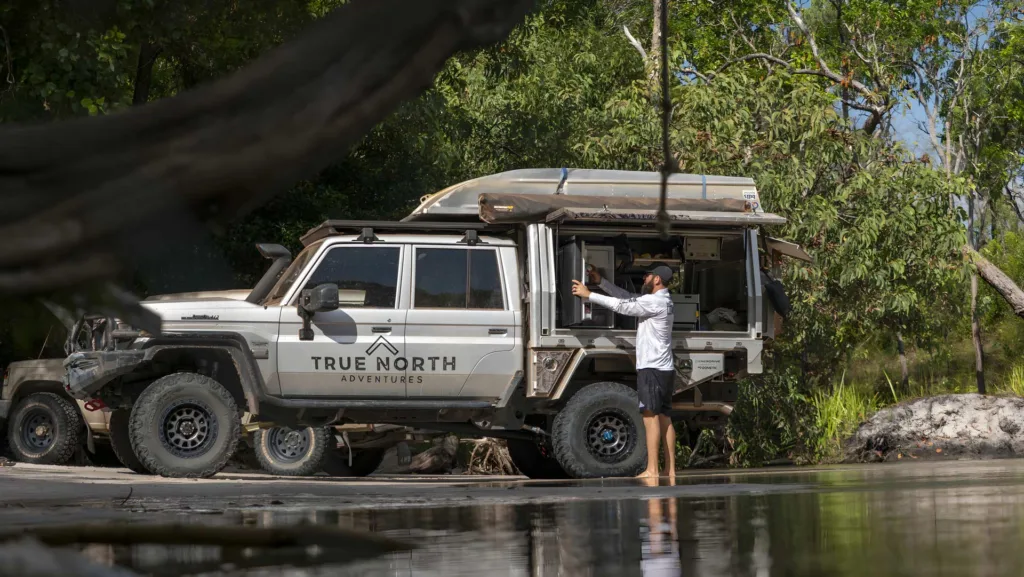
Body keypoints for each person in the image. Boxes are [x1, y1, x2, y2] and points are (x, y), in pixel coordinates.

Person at [571, 263, 676, 480]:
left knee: (650, 417)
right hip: (665, 368)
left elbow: (622, 307)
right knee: (665, 418)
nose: (644, 279)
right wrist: (601, 282)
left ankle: (653, 470)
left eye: (648, 276)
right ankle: (670, 470)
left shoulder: (653, 302)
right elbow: (627, 298)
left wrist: (589, 295)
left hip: (652, 368)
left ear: (657, 280)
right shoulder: (663, 300)